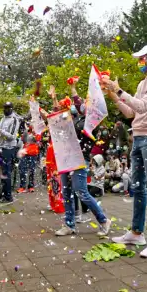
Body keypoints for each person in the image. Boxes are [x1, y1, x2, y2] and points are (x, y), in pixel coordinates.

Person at [103, 44, 147, 258]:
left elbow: (143, 106)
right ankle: (136, 232)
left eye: (141, 59)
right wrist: (114, 96)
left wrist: (118, 90)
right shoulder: (144, 82)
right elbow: (130, 113)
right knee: (138, 187)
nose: (139, 63)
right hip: (138, 138)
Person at [49, 95, 112, 237]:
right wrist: (54, 100)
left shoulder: (88, 123)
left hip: (79, 158)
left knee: (81, 191)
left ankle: (103, 220)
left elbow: (80, 132)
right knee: (66, 192)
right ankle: (69, 224)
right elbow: (57, 120)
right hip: (66, 158)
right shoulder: (70, 120)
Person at [0, 102, 22, 205]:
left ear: (11, 108)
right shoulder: (2, 119)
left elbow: (12, 136)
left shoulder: (15, 120)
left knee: (6, 172)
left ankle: (8, 196)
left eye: (8, 108)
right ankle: (1, 193)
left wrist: (1, 131)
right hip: (0, 147)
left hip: (9, 148)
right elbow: (0, 134)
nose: (5, 110)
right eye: (4, 108)